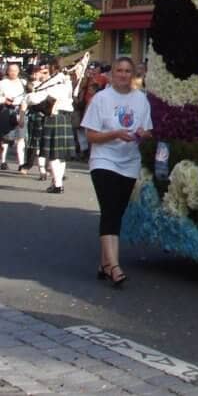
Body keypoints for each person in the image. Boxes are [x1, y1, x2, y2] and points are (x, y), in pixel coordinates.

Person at [82, 56, 152, 287]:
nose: (123, 75)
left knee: (117, 212)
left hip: (129, 160)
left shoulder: (141, 100)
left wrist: (143, 134)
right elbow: (90, 135)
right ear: (112, 74)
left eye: (127, 71)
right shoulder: (102, 98)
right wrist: (113, 134)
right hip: (104, 160)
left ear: (133, 75)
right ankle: (114, 266)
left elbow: (148, 132)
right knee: (109, 208)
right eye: (119, 70)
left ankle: (104, 263)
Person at [29, 59, 74, 193]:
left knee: (54, 154)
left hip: (53, 117)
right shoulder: (67, 81)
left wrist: (31, 94)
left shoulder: (54, 82)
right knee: (61, 154)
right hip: (65, 117)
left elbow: (36, 99)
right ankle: (57, 182)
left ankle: (57, 185)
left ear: (53, 68)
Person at [1, 63, 28, 172]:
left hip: (20, 110)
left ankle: (21, 163)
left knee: (21, 138)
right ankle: (3, 161)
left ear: (18, 71)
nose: (13, 72)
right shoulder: (2, 83)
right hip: (6, 110)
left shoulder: (23, 83)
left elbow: (28, 96)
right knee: (4, 138)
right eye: (11, 70)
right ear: (7, 71)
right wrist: (4, 99)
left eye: (15, 70)